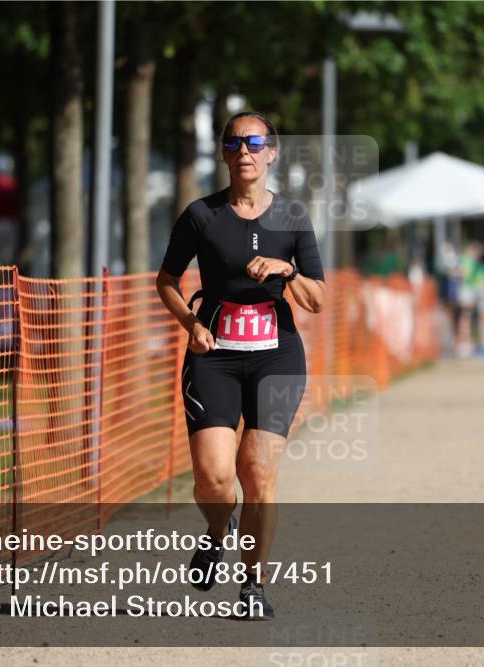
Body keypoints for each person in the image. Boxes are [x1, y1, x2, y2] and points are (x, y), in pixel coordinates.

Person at [155, 111, 326, 619]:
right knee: (213, 478)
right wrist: (191, 322)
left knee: (258, 471)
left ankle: (253, 586)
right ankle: (216, 529)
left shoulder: (292, 217)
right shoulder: (201, 216)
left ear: (271, 152)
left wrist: (287, 269)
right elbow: (165, 280)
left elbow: (317, 300)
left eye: (254, 142)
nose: (244, 151)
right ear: (224, 153)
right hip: (215, 356)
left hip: (277, 356)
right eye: (234, 143)